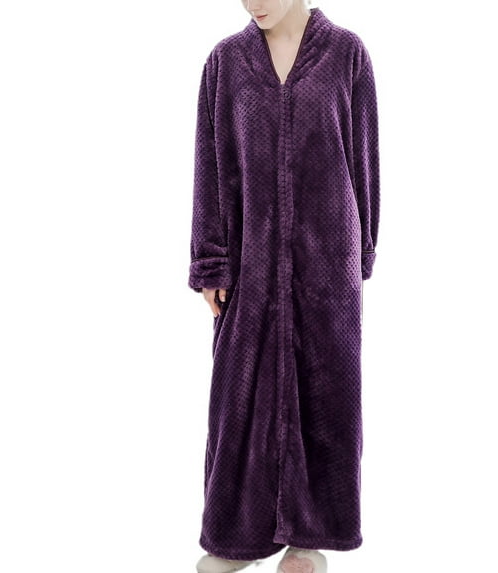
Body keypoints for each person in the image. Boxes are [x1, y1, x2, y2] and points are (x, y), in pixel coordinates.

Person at [188, 0, 381, 571]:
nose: (253, 2)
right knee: (238, 401)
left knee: (326, 400)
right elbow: (210, 166)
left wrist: (360, 253)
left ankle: (307, 538)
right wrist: (211, 261)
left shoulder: (347, 55)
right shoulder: (225, 63)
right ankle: (235, 538)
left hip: (328, 267)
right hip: (249, 264)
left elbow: (365, 160)